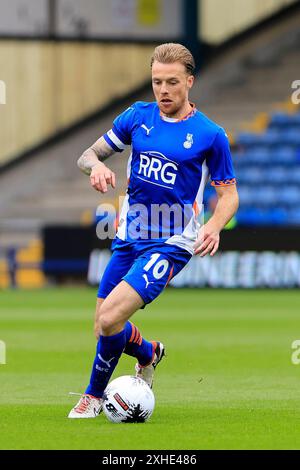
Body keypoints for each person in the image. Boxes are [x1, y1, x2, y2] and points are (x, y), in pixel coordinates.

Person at [68, 43, 239, 418]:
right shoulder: (137, 117)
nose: (163, 90)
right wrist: (95, 166)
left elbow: (228, 195)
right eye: (157, 82)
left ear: (190, 82)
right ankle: (149, 353)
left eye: (172, 82)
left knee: (111, 318)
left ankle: (93, 397)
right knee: (103, 325)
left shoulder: (210, 135)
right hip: (128, 238)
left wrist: (212, 226)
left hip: (171, 243)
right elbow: (87, 154)